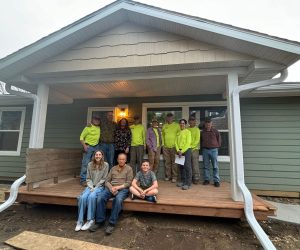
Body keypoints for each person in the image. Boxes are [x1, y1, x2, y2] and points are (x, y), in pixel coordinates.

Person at [89, 153, 133, 235]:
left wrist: (118, 187)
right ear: (117, 160)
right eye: (120, 159)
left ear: (126, 160)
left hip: (122, 189)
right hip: (111, 188)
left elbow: (129, 183)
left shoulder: (129, 169)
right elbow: (107, 181)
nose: (121, 160)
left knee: (118, 199)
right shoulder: (113, 168)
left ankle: (112, 223)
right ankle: (100, 221)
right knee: (100, 197)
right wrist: (111, 188)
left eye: (123, 159)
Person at [75, 150, 109, 231]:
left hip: (99, 186)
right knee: (83, 197)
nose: (98, 156)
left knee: (92, 196)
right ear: (94, 156)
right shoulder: (90, 164)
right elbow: (88, 178)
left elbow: (104, 178)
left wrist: (96, 187)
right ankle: (80, 221)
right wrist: (90, 187)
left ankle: (90, 220)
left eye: (99, 154)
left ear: (102, 156)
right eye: (96, 154)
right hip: (90, 186)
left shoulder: (106, 165)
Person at [79, 115, 101, 185]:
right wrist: (84, 146)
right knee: (86, 163)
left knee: (94, 163)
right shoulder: (87, 127)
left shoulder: (99, 128)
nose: (96, 121)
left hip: (96, 147)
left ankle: (92, 179)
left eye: (98, 120)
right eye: (95, 119)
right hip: (88, 146)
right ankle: (83, 180)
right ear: (92, 120)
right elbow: (81, 137)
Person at [201, 117, 222, 187]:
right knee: (206, 166)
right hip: (205, 150)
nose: (208, 124)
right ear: (205, 124)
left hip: (214, 150)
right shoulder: (202, 132)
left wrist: (217, 147)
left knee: (215, 166)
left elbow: (219, 140)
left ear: (211, 123)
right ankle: (207, 179)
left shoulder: (215, 131)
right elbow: (201, 141)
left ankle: (216, 181)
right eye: (207, 123)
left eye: (209, 123)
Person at [162, 113, 180, 183]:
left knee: (175, 162)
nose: (169, 119)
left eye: (170, 117)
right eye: (168, 117)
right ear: (166, 118)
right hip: (166, 147)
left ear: (173, 118)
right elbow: (163, 136)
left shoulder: (177, 125)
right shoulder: (164, 126)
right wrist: (163, 144)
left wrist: (178, 146)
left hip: (174, 147)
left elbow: (179, 136)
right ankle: (168, 176)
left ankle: (174, 177)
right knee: (167, 162)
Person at [175, 119, 192, 190]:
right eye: (181, 123)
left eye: (183, 123)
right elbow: (175, 142)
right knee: (181, 167)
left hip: (186, 150)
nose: (182, 124)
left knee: (187, 166)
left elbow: (188, 143)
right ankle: (183, 181)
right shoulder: (178, 133)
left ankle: (188, 183)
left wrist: (182, 151)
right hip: (179, 151)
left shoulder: (188, 132)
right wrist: (178, 150)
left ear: (185, 124)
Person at [187, 116, 201, 184]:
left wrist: (191, 147)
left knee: (195, 164)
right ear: (189, 122)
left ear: (195, 121)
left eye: (193, 120)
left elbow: (197, 140)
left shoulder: (197, 129)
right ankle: (188, 177)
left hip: (194, 149)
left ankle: (196, 178)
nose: (191, 121)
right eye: (190, 120)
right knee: (187, 164)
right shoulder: (186, 129)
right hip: (186, 149)